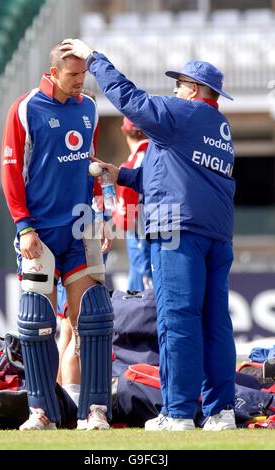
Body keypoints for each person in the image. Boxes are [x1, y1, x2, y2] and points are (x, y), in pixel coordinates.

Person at [59, 39, 237, 431]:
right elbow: (168, 177)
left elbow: (129, 98)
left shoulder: (183, 113)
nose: (173, 91)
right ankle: (221, 412)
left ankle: (177, 413)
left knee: (177, 319)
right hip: (216, 234)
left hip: (178, 229)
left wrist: (95, 59)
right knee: (214, 322)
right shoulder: (217, 127)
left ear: (192, 90)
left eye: (178, 85)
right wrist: (118, 173)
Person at [1, 41, 114, 431]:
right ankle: (42, 412)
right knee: (38, 324)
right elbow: (11, 172)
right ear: (54, 72)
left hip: (81, 227)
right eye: (73, 75)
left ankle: (95, 411)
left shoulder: (89, 109)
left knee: (94, 319)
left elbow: (90, 165)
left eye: (84, 74)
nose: (81, 81)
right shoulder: (26, 108)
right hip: (40, 232)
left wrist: (102, 213)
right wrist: (23, 226)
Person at [114, 117, 152, 292]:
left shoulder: (131, 165)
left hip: (143, 242)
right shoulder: (162, 156)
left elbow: (128, 220)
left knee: (140, 304)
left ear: (124, 131)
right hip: (165, 239)